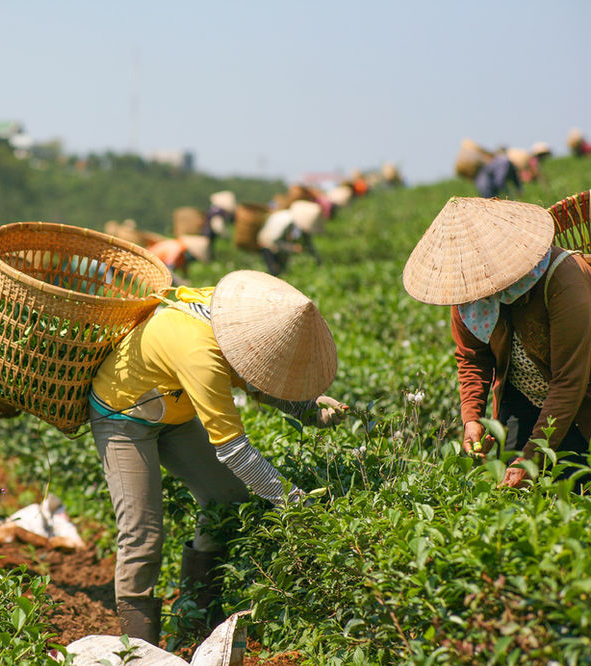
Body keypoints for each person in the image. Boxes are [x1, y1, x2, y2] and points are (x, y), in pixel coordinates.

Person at [88, 270, 346, 645]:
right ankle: (139, 648)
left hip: (173, 412)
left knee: (227, 499)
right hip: (122, 415)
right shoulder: (201, 353)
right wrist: (296, 504)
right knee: (143, 534)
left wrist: (307, 407)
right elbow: (234, 450)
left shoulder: (228, 316)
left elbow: (253, 375)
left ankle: (191, 620)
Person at [402, 196, 591, 491]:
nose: (480, 290)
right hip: (521, 396)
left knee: (577, 488)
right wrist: (471, 418)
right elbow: (472, 357)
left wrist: (532, 457)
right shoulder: (468, 288)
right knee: (517, 495)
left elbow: (570, 380)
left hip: (579, 402)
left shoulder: (564, 279)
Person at [146, 235, 211, 285]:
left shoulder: (181, 252)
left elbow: (184, 268)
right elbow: (168, 269)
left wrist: (186, 279)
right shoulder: (176, 249)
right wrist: (180, 283)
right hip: (148, 264)